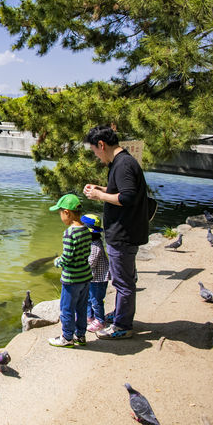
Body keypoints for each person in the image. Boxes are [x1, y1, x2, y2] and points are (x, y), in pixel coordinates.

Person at [83, 125, 150, 340]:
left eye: (94, 150)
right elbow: (121, 191)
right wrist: (101, 189)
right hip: (123, 231)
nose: (95, 155)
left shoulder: (123, 165)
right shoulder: (123, 163)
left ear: (101, 145)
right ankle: (121, 315)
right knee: (123, 279)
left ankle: (122, 325)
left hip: (123, 233)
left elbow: (127, 197)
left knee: (123, 282)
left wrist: (99, 197)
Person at [48, 193, 93, 348]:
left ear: (67, 212)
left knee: (66, 309)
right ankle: (80, 336)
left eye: (60, 213)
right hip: (85, 277)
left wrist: (57, 262)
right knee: (81, 308)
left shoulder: (69, 233)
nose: (61, 217)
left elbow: (67, 257)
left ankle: (67, 337)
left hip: (71, 279)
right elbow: (87, 252)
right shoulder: (86, 230)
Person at [81, 213, 109, 333]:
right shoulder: (91, 243)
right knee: (88, 298)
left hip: (99, 279)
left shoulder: (95, 245)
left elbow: (91, 262)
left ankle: (100, 321)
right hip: (91, 278)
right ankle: (89, 316)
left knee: (96, 300)